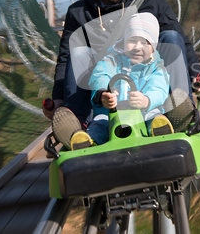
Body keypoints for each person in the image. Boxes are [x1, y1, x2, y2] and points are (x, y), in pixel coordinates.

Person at [42, 0, 200, 125]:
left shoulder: (153, 2)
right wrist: (58, 97)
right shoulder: (78, 12)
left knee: (170, 36)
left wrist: (197, 75)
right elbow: (66, 57)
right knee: (78, 52)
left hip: (147, 78)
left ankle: (181, 114)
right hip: (104, 87)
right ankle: (77, 125)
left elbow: (181, 41)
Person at [62, 13, 172, 150]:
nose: (137, 47)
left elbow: (160, 87)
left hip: (144, 112)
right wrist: (102, 93)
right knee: (99, 122)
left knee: (153, 116)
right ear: (124, 41)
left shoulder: (155, 67)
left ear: (152, 48)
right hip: (112, 114)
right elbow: (101, 74)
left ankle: (159, 132)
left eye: (145, 42)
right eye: (132, 41)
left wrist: (147, 100)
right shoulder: (113, 60)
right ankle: (89, 142)